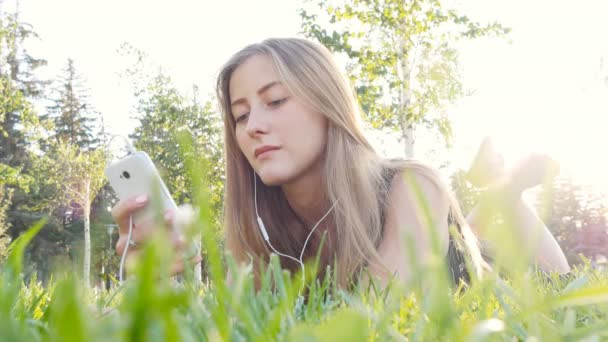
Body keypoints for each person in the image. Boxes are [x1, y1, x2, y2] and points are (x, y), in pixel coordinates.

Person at [111, 38, 568, 290]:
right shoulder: (263, 236)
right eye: (241, 114)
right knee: (471, 225)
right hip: (446, 233)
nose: (252, 126)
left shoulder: (412, 183)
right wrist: (158, 284)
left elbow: (381, 307)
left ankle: (505, 192)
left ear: (327, 104)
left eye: (274, 100)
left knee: (557, 282)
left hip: (486, 269)